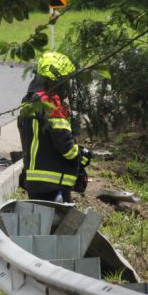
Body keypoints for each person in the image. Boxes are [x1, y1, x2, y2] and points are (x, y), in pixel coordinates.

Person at [17, 51, 91, 203]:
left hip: (34, 182)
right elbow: (67, 148)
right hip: (53, 185)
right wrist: (83, 156)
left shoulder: (29, 102)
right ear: (55, 80)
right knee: (57, 226)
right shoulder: (52, 105)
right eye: (65, 79)